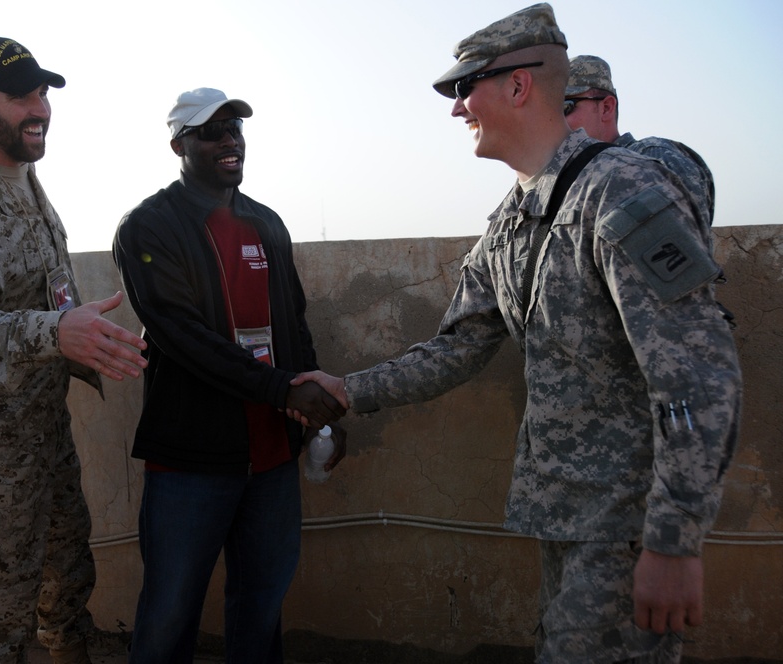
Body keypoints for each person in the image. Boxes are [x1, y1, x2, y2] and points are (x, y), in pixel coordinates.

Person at [292, 4, 741, 662]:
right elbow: (455, 348)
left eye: (463, 88)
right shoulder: (512, 218)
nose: (455, 109)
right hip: (566, 517)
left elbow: (699, 378)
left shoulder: (623, 194)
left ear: (519, 85)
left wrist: (673, 540)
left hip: (627, 525)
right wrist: (345, 390)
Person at [0, 38, 148, 664]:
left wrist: (79, 335)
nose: (39, 107)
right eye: (20, 96)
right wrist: (55, 332)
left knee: (64, 576)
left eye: (42, 92)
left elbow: (39, 291)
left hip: (38, 426)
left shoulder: (20, 174)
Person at [113, 87, 346, 664]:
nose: (228, 140)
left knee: (261, 610)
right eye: (211, 131)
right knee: (169, 614)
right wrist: (282, 388)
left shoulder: (266, 222)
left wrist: (317, 415)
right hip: (190, 465)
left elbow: (294, 323)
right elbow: (181, 336)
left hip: (270, 461)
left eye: (234, 128)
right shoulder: (149, 225)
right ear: (179, 145)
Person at [563, 54, 715, 237]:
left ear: (606, 108)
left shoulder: (654, 159)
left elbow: (683, 251)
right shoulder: (571, 180)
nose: (554, 121)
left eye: (565, 107)